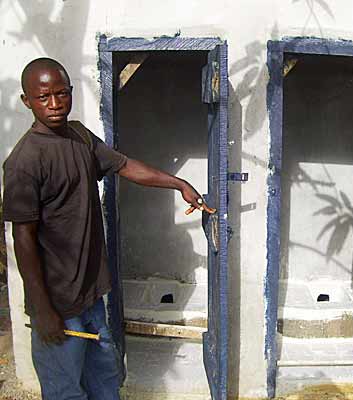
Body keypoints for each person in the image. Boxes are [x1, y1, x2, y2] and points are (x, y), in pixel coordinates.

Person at [2, 58, 214, 400]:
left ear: (70, 93)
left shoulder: (79, 136)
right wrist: (42, 309)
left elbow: (125, 165)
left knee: (105, 380)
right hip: (57, 303)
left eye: (61, 94)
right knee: (64, 390)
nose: (55, 104)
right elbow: (22, 238)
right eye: (44, 97)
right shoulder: (24, 162)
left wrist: (179, 183)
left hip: (91, 294)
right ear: (27, 101)